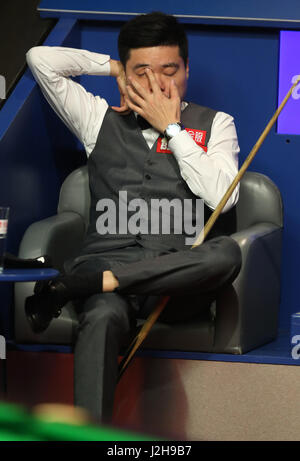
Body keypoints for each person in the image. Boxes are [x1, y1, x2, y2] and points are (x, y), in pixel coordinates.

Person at [25, 12, 242, 423]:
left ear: (187, 71)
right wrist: (111, 68)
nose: (158, 84)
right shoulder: (96, 118)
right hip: (108, 268)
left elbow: (222, 199)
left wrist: (173, 129)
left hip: (172, 282)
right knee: (103, 314)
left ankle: (81, 284)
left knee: (227, 253)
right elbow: (40, 59)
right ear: (126, 74)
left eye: (169, 71)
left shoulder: (216, 124)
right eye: (141, 73)